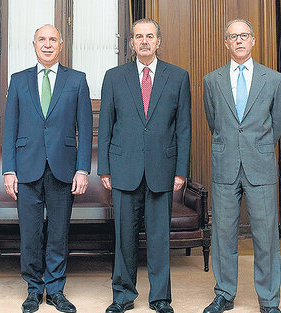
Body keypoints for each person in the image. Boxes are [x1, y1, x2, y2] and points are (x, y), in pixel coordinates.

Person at [98, 18, 191, 313]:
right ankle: (123, 296)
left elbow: (184, 128)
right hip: (124, 169)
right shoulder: (114, 77)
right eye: (139, 36)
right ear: (132, 43)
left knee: (159, 239)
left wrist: (180, 171)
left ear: (158, 41)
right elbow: (106, 126)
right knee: (125, 239)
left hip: (162, 170)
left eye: (150, 36)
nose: (144, 41)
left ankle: (161, 298)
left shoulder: (178, 77)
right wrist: (104, 168)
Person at [2, 24, 93, 313]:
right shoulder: (18, 81)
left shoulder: (77, 80)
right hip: (26, 168)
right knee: (30, 233)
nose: (48, 44)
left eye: (53, 39)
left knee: (58, 233)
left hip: (63, 168)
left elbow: (86, 129)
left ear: (61, 44)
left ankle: (55, 289)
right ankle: (33, 289)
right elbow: (9, 129)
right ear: (33, 44)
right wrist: (8, 170)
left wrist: (82, 169)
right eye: (42, 39)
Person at [202, 19, 281, 313]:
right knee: (223, 235)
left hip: (260, 165)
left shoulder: (273, 79)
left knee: (266, 236)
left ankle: (269, 300)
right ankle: (224, 293)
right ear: (225, 43)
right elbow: (215, 123)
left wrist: (258, 147)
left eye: (244, 36)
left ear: (253, 40)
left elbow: (276, 124)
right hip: (225, 165)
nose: (239, 41)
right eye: (233, 37)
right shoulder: (212, 81)